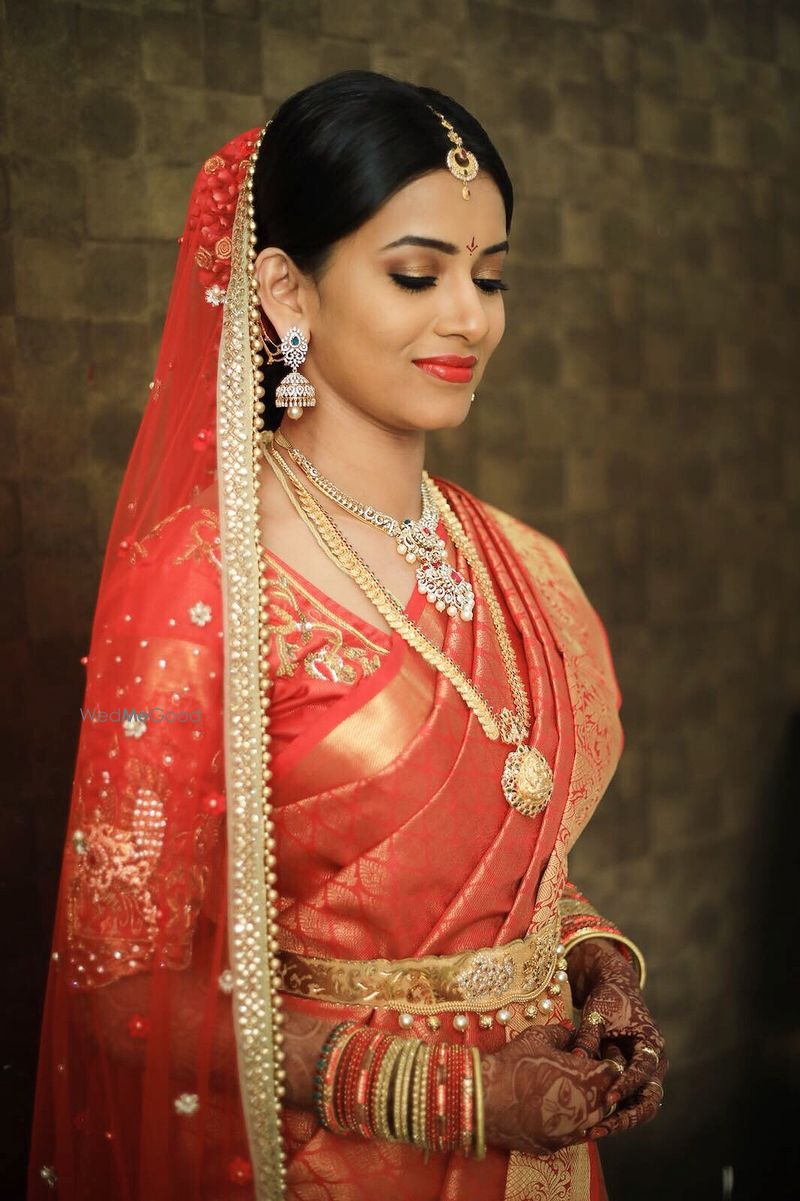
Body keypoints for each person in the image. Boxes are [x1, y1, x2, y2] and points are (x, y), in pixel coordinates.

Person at [26, 70, 667, 1201]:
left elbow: (515, 878)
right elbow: (117, 989)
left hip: (544, 1159)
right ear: (285, 292)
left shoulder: (520, 560)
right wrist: (452, 1093)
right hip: (328, 1165)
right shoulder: (205, 578)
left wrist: (594, 963)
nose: (468, 317)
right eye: (416, 274)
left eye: (490, 277)